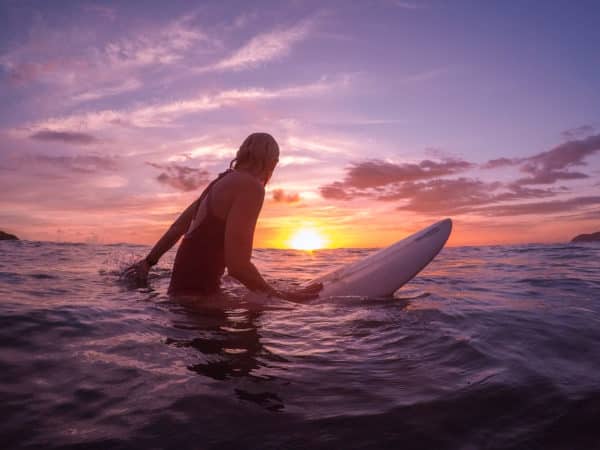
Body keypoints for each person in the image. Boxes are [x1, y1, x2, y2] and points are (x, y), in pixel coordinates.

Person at [123, 132, 322, 302]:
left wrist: (147, 263)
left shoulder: (219, 182)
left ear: (242, 154)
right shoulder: (251, 187)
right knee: (289, 311)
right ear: (273, 162)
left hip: (179, 296)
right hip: (200, 304)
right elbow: (238, 267)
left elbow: (176, 228)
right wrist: (281, 297)